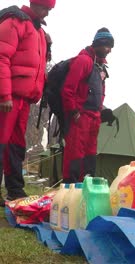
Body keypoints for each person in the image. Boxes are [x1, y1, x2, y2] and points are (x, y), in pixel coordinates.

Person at [0, 0, 56, 204]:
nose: (47, 13)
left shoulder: (39, 32)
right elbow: (1, 57)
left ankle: (15, 190)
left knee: (15, 145)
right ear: (34, 4)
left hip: (24, 99)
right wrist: (4, 94)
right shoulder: (15, 22)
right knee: (1, 142)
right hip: (8, 97)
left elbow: (38, 67)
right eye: (45, 8)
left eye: (49, 10)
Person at [61, 27, 114, 183]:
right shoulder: (84, 61)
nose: (109, 50)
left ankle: (86, 185)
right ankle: (70, 186)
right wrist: (74, 112)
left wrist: (101, 111)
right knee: (75, 153)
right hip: (80, 116)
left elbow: (100, 92)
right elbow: (68, 89)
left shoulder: (100, 67)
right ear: (99, 44)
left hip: (94, 117)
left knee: (90, 153)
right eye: (107, 46)